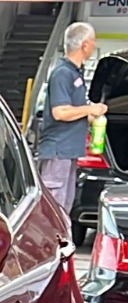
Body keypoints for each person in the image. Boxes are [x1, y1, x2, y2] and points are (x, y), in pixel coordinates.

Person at [37, 22, 109, 216]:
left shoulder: (75, 73)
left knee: (64, 207)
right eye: (92, 41)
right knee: (53, 209)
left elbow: (74, 111)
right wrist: (90, 108)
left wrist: (92, 117)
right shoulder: (62, 73)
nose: (94, 45)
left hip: (68, 152)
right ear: (84, 45)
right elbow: (60, 112)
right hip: (58, 151)